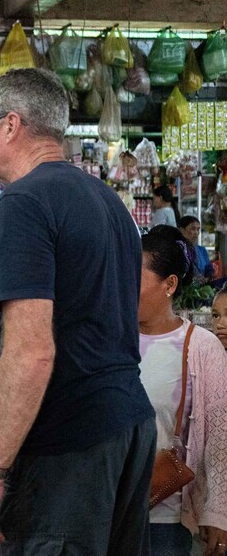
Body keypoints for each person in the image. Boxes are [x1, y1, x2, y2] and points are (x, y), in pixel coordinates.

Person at [0, 68, 156, 554]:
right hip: (126, 426)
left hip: (67, 441)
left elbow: (31, 353)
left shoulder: (24, 201)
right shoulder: (107, 201)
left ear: (10, 126)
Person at [138, 226, 227, 556]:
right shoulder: (110, 340)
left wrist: (218, 509)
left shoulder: (201, 349)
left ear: (170, 285)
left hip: (167, 516)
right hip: (110, 510)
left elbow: (220, 435)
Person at [178, 215, 214, 281]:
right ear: (182, 230)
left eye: (198, 229)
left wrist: (207, 279)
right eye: (193, 229)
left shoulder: (202, 250)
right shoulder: (177, 249)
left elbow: (209, 269)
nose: (196, 233)